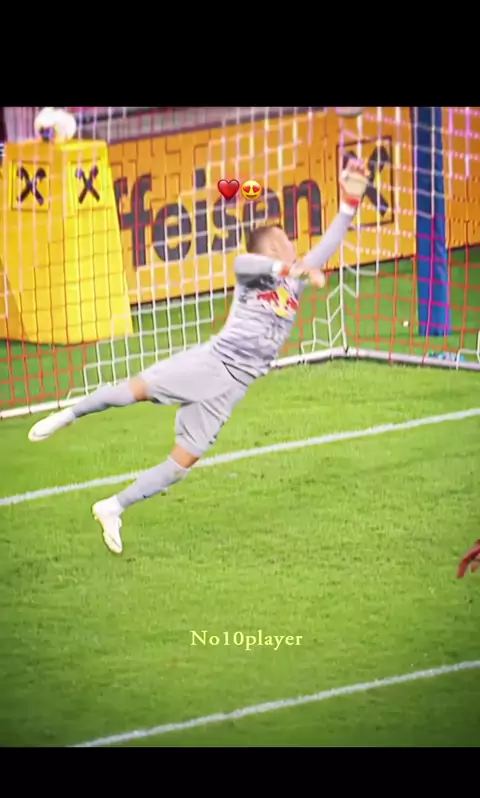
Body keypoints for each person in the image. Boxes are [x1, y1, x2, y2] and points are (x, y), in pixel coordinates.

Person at [28, 158, 369, 554]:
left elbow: (327, 245)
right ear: (275, 246)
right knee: (135, 392)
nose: (295, 245)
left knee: (179, 466)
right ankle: (68, 415)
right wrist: (291, 267)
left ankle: (113, 507)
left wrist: (349, 204)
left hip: (233, 387)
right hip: (213, 363)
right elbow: (250, 262)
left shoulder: (292, 281)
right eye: (287, 241)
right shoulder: (252, 272)